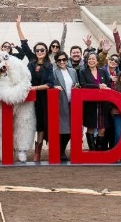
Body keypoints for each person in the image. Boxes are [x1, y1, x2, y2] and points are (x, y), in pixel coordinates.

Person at [17, 16, 55, 161]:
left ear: (46, 51)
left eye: (42, 50)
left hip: (42, 98)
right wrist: (18, 26)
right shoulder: (32, 60)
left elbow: (50, 84)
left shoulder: (49, 65)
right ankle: (22, 149)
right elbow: (24, 44)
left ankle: (37, 151)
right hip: (28, 97)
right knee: (26, 122)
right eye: (37, 50)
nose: (39, 52)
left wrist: (35, 88)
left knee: (40, 123)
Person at [78, 52, 111, 150]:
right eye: (89, 59)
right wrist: (98, 86)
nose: (91, 61)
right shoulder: (83, 72)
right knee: (91, 127)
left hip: (102, 104)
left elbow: (108, 83)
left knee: (102, 128)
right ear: (87, 61)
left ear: (97, 61)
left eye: (93, 59)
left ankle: (98, 150)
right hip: (90, 104)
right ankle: (92, 150)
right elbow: (83, 85)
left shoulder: (103, 72)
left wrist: (104, 87)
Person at [52, 51, 78, 161]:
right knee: (63, 128)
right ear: (56, 62)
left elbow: (77, 83)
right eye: (59, 60)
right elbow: (50, 84)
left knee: (72, 128)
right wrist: (54, 87)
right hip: (61, 103)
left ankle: (62, 150)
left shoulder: (72, 71)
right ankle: (60, 151)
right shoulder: (54, 72)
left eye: (64, 60)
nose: (62, 62)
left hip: (73, 103)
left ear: (67, 60)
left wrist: (77, 87)